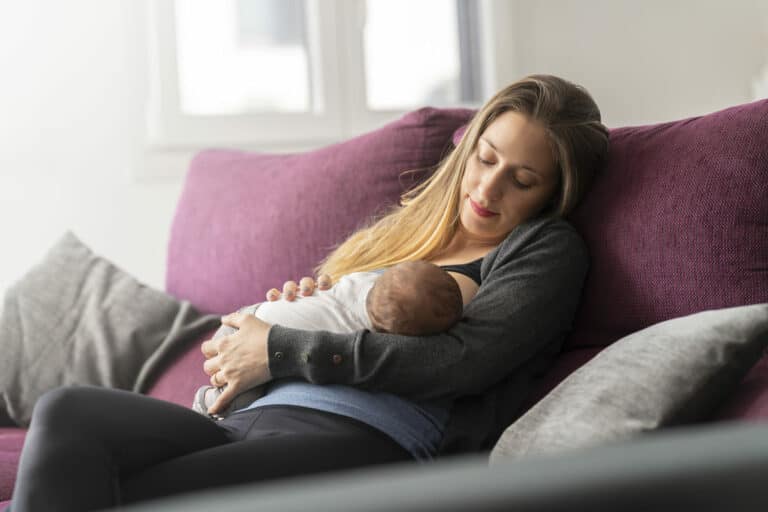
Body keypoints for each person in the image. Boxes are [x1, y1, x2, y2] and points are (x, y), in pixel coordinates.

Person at [5, 74, 609, 511]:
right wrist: (304, 310)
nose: (488, 187)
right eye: (485, 158)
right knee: (66, 412)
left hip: (359, 437)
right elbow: (333, 316)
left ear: (551, 195)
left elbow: (463, 362)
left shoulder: (544, 247)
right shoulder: (406, 233)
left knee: (122, 496)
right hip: (252, 421)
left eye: (522, 180)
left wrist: (282, 347)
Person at [193, 260, 468, 419]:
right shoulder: (361, 334)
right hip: (251, 340)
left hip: (247, 315)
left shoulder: (363, 279)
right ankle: (203, 402)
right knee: (235, 403)